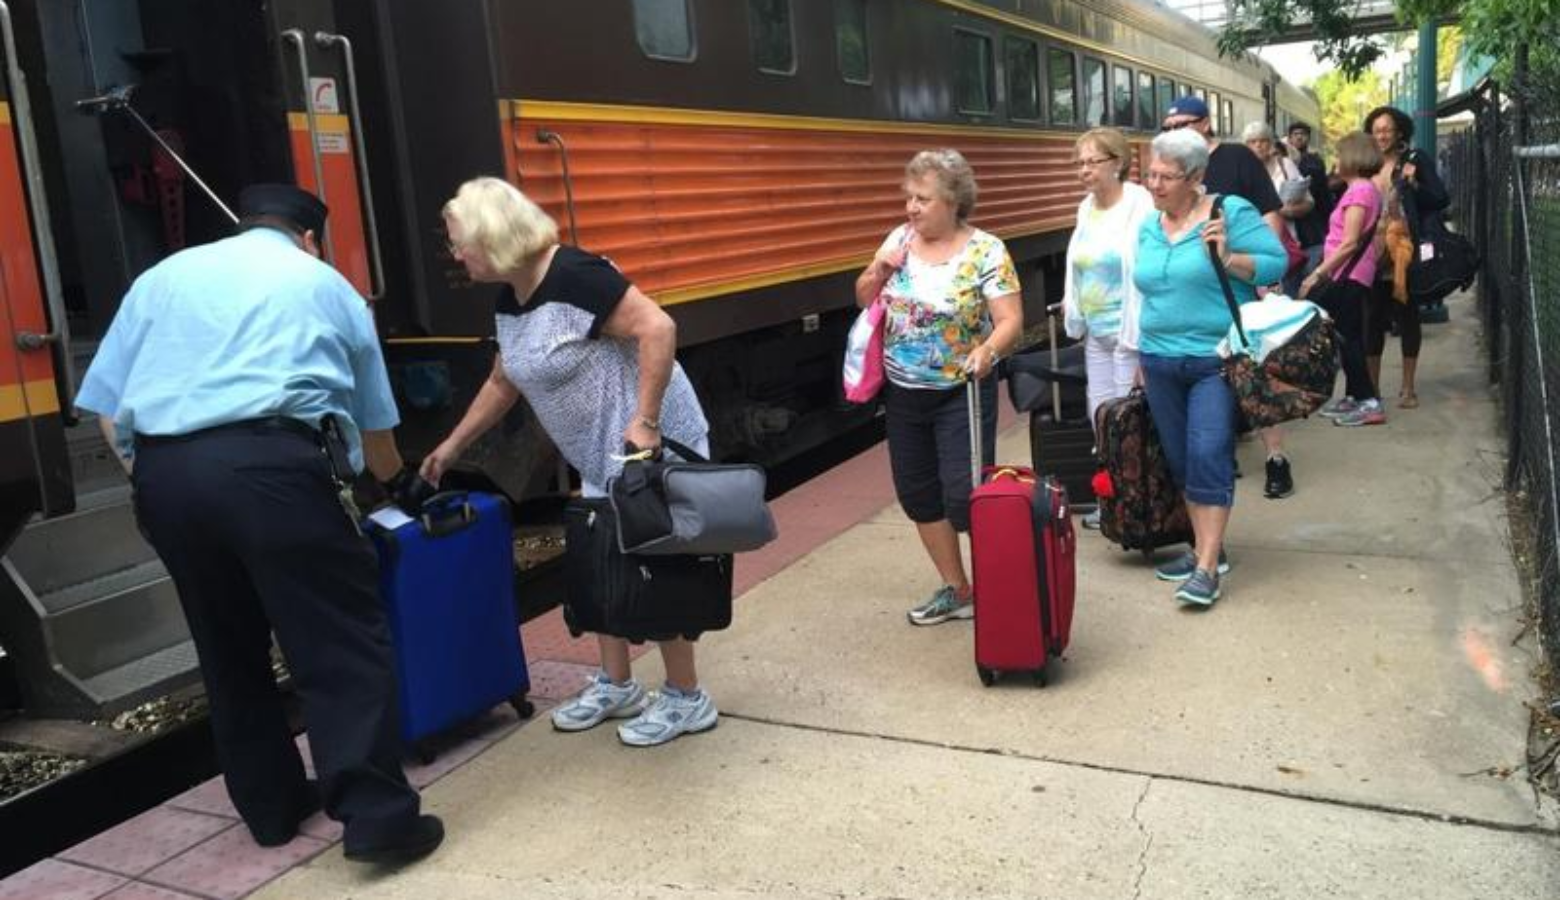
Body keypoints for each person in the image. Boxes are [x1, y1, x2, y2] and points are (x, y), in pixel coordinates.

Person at [73, 184, 443, 864]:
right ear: (310, 237)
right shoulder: (325, 284)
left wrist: (159, 476)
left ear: (242, 226)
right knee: (337, 645)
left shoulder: (161, 277)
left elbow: (105, 406)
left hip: (166, 474)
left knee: (227, 647)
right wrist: (393, 484)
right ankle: (378, 819)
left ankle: (272, 808)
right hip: (274, 469)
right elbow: (376, 427)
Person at [427, 176, 717, 747]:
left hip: (650, 451)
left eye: (461, 241)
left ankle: (688, 698)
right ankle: (618, 685)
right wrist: (453, 445)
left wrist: (648, 422)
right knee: (599, 565)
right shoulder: (511, 295)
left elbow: (658, 327)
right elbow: (503, 378)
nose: (455, 253)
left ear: (495, 236)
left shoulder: (576, 276)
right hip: (597, 454)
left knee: (661, 570)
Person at [854, 148, 1023, 625]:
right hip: (903, 392)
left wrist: (987, 351)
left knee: (965, 495)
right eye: (909, 197)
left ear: (953, 201)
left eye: (922, 198)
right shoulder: (898, 240)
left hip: (960, 392)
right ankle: (959, 588)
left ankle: (998, 586)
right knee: (918, 494)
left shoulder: (986, 250)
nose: (911, 207)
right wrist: (880, 269)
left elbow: (1010, 320)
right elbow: (864, 298)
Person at [1133, 129, 1287, 606]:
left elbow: (1275, 264)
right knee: (1180, 458)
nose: (1154, 184)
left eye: (1165, 176)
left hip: (1213, 359)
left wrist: (1229, 257)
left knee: (1207, 453)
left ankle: (1205, 571)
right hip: (1158, 358)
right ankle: (1208, 549)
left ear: (1196, 177)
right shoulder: (1149, 224)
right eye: (1150, 174)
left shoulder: (1229, 213)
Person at [1162, 97, 1295, 501]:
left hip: (1240, 281)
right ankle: (1222, 458)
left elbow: (1270, 211)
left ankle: (1276, 459)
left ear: (1206, 123)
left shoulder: (1237, 158)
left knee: (1256, 374)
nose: (1174, 132)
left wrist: (1266, 274)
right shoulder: (1170, 166)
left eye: (1182, 124)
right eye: (1167, 127)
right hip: (1201, 293)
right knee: (1217, 377)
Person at [1060, 127, 1153, 530]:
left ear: (1117, 163)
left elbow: (1145, 270)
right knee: (1099, 418)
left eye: (1093, 162)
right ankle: (1110, 499)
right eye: (1079, 163)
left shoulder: (1139, 205)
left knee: (1126, 420)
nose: (1084, 170)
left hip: (1128, 331)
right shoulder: (1086, 208)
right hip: (1096, 331)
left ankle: (1136, 502)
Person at [1364, 105, 1449, 410]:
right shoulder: (1366, 164)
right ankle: (1371, 391)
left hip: (1404, 249)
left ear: (1399, 131)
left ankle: (1408, 388)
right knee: (1372, 319)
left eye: (1387, 129)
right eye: (1376, 131)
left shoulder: (1414, 160)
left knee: (1407, 315)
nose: (1382, 135)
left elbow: (1441, 198)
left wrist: (1414, 185)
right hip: (1371, 252)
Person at [1299, 132, 1387, 427]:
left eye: (1339, 154)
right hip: (1351, 273)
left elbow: (1348, 243)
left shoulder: (1359, 191)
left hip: (1346, 274)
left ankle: (1368, 401)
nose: (1335, 161)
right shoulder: (1363, 188)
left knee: (1348, 338)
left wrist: (1318, 272)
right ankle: (1354, 396)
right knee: (1347, 335)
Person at [1242, 121, 1313, 294]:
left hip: (1285, 245)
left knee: (1284, 299)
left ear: (1271, 143)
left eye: (1263, 140)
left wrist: (1287, 211)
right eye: (1252, 142)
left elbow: (1310, 202)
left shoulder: (1285, 165)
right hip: (1251, 248)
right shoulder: (1241, 170)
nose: (1258, 145)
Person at [1286, 121, 1334, 290]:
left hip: (1311, 228)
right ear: (1289, 138)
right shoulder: (1283, 161)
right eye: (1295, 134)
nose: (1299, 137)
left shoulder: (1313, 162)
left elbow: (1321, 194)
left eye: (1303, 134)